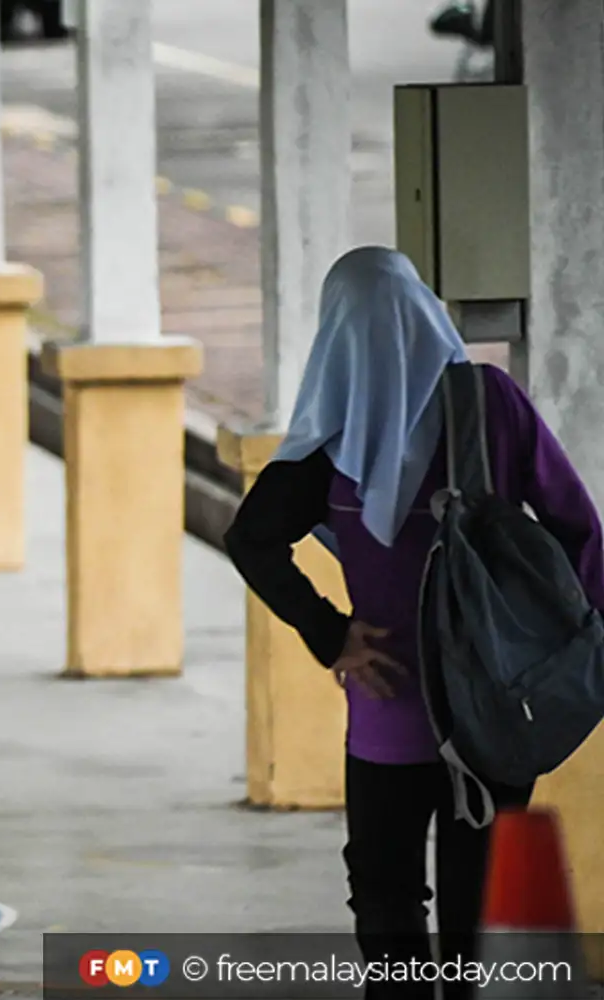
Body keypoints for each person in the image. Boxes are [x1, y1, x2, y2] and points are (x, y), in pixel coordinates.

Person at [223, 247, 604, 1000]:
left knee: (386, 887)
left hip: (387, 699)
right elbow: (576, 524)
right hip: (499, 696)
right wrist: (580, 645)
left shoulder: (330, 435)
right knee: (474, 892)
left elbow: (251, 539)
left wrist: (330, 633)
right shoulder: (488, 402)